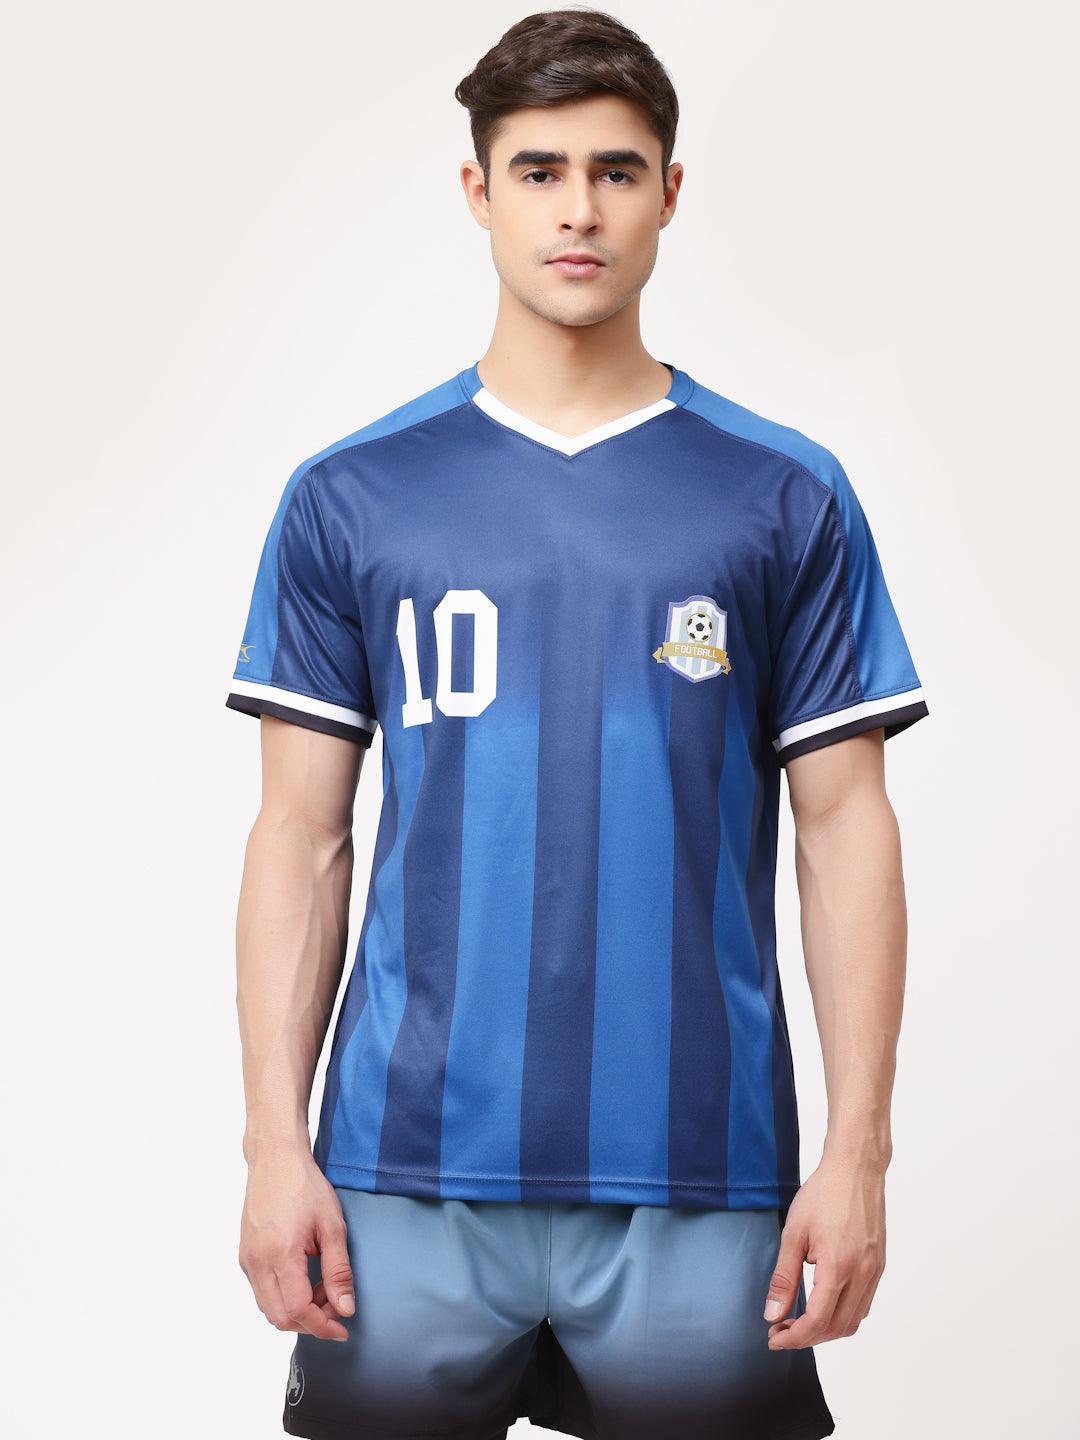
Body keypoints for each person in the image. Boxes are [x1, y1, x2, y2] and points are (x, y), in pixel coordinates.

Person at [227, 11, 928, 1439]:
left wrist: (859, 1153)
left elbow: (844, 827)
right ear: (477, 191)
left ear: (670, 193)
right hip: (401, 1174)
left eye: (615, 171)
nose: (579, 210)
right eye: (539, 171)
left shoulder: (782, 492)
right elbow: (301, 837)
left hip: (700, 1171)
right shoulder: (351, 493)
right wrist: (272, 1147)